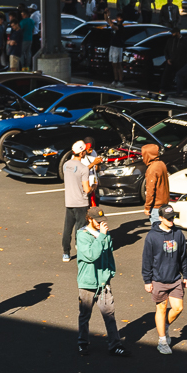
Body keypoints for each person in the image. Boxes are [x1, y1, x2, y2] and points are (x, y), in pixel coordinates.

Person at [76, 206, 127, 357]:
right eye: (97, 221)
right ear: (89, 219)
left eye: (102, 221)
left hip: (103, 283)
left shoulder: (105, 234)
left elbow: (109, 254)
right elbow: (92, 255)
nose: (100, 224)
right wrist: (102, 236)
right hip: (87, 283)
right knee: (85, 315)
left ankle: (115, 345)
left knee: (109, 315)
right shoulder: (82, 235)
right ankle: (82, 343)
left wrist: (110, 272)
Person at [142, 205, 187, 355]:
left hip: (175, 279)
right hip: (158, 280)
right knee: (161, 309)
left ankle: (165, 326)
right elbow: (146, 259)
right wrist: (147, 280)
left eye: (173, 217)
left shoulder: (178, 234)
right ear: (161, 218)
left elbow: (183, 256)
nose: (171, 220)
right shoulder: (152, 236)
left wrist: (185, 275)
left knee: (178, 308)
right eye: (168, 218)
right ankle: (162, 341)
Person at [61, 140, 92, 262]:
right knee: (81, 228)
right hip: (81, 202)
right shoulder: (83, 168)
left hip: (69, 201)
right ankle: (80, 248)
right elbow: (87, 189)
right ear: (82, 152)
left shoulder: (66, 165)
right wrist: (93, 187)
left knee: (67, 228)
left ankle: (66, 253)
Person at [141, 142, 169, 224]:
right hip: (164, 203)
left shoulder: (152, 169)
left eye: (143, 155)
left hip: (156, 206)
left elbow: (150, 190)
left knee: (157, 227)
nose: (142, 157)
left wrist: (147, 207)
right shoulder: (161, 164)